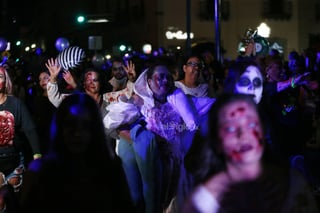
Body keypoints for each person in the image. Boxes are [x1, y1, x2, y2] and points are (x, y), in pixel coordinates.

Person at [104, 62, 215, 212]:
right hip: (148, 160)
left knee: (169, 203)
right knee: (146, 198)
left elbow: (207, 107)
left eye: (168, 77)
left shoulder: (178, 99)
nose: (165, 81)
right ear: (149, 81)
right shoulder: (139, 101)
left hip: (173, 162)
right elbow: (115, 124)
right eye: (160, 77)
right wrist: (143, 140)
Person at [183, 93, 319, 213]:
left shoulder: (293, 183)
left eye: (251, 124)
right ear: (217, 142)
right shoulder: (205, 201)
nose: (243, 135)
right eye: (230, 128)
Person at [20, 93, 135, 212]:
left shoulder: (111, 168)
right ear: (60, 126)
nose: (78, 133)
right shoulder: (39, 171)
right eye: (71, 124)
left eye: (85, 125)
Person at [0, 65, 41, 195]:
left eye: (0, 77)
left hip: (14, 162)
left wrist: (37, 156)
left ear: (6, 81)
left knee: (16, 201)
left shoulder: (16, 104)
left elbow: (30, 130)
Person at [32, 70, 56, 155]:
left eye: (45, 78)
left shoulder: (59, 97)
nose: (42, 81)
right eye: (40, 79)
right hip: (44, 140)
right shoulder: (38, 100)